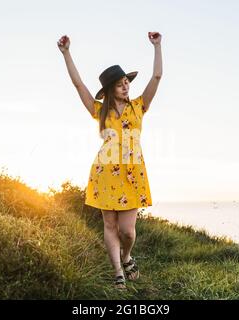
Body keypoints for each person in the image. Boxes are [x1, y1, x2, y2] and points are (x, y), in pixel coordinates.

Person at [57, 32, 163, 289]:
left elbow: (157, 77)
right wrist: (66, 53)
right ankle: (118, 272)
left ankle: (126, 256)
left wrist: (157, 46)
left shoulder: (140, 106)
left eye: (127, 81)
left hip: (132, 174)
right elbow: (79, 85)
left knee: (127, 231)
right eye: (120, 84)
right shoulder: (99, 111)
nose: (126, 86)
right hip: (105, 173)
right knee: (109, 224)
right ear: (109, 90)